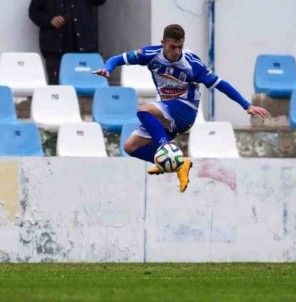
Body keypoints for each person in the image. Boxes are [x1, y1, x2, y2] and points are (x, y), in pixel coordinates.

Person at [94, 24, 269, 193]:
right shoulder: (150, 54)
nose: (177, 51)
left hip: (185, 109)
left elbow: (220, 84)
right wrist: (107, 69)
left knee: (143, 110)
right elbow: (117, 59)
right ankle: (178, 165)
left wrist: (247, 105)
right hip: (167, 112)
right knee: (130, 147)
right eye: (172, 47)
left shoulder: (192, 64)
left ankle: (165, 147)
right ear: (163, 43)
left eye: (180, 47)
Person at [29, 0, 106, 84]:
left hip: (82, 47)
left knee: (84, 84)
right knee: (57, 86)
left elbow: (100, 1)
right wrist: (50, 20)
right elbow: (34, 13)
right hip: (55, 49)